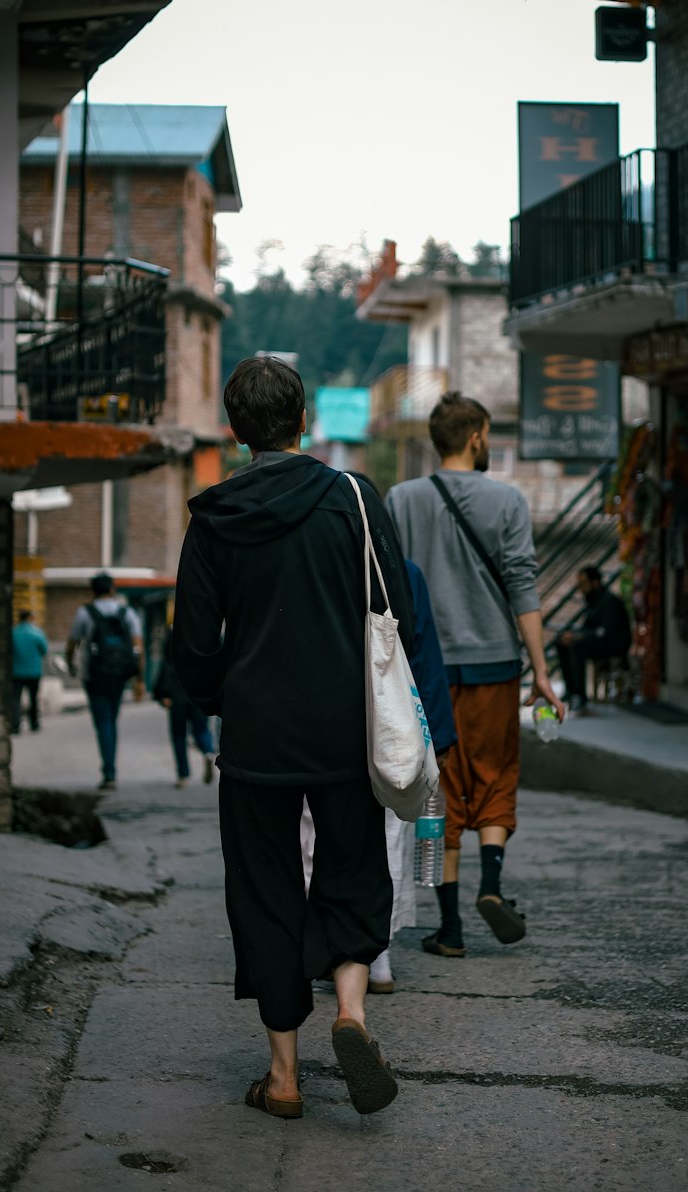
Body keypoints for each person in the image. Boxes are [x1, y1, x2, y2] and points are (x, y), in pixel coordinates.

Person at [172, 355, 414, 1119]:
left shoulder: (214, 514)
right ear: (303, 419)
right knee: (351, 869)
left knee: (264, 892)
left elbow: (195, 642)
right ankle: (351, 1014)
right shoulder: (354, 497)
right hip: (345, 727)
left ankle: (282, 1077)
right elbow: (393, 600)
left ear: (235, 428)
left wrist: (219, 700)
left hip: (257, 736)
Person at [386, 391, 564, 959]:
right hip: (494, 663)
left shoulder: (401, 499)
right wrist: (540, 670)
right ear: (478, 436)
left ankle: (450, 928)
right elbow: (523, 586)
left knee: (442, 788)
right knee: (495, 773)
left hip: (427, 670)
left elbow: (391, 585)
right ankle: (491, 885)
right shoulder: (507, 500)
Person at [300, 549, 457, 993]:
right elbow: (423, 652)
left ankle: (327, 945)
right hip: (391, 725)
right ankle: (377, 955)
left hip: (320, 720)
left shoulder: (314, 561)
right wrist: (438, 737)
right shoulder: (402, 570)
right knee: (386, 831)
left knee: (313, 834)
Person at [66, 572, 144, 791]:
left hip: (95, 674)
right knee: (112, 718)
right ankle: (111, 768)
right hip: (120, 675)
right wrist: (139, 679)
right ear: (112, 589)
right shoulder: (126, 612)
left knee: (103, 722)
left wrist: (71, 665)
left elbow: (72, 643)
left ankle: (109, 773)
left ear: (93, 591)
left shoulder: (85, 612)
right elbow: (138, 647)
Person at [555, 566, 631, 714]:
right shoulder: (593, 602)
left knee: (576, 646)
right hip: (599, 643)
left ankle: (579, 697)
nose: (581, 589)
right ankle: (571, 691)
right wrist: (572, 635)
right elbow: (587, 628)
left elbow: (605, 631)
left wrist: (578, 636)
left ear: (595, 582)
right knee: (563, 643)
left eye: (584, 584)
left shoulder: (609, 601)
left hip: (614, 644)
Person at [153, 614, 216, 788]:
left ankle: (183, 775)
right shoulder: (206, 633)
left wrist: (163, 693)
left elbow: (166, 665)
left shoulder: (174, 634)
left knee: (178, 734)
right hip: (199, 691)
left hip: (177, 692)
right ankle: (208, 752)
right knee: (201, 729)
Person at [10, 609, 48, 733]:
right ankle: (34, 723)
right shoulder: (37, 633)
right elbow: (44, 650)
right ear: (30, 618)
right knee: (33, 698)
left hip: (16, 671)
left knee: (15, 699)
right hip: (33, 672)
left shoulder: (13, 633)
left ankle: (15, 724)